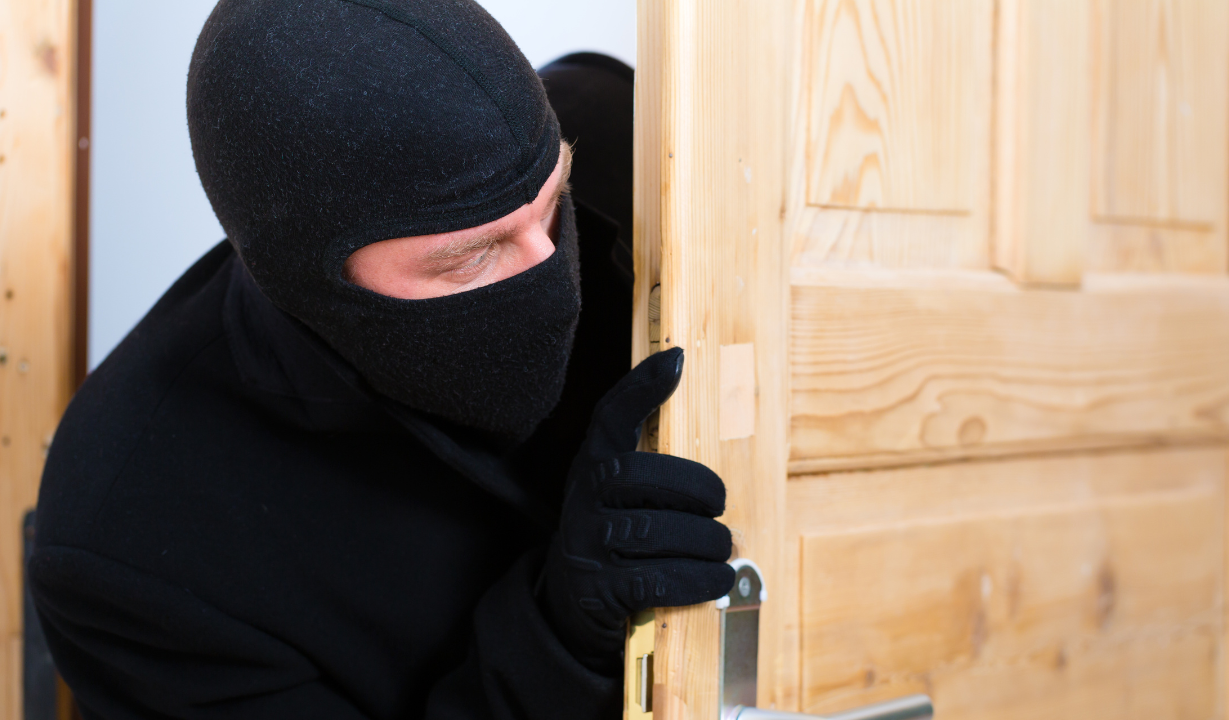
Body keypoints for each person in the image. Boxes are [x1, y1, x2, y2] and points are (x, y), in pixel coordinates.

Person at [28, 2, 735, 719]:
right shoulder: (125, 543)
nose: (553, 278)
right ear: (304, 276)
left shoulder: (633, 131)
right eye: (471, 257)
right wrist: (558, 639)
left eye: (557, 199)